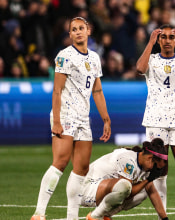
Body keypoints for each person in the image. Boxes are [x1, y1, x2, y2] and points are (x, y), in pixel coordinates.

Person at [31, 17, 111, 220]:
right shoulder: (64, 56)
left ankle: (72, 216)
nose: (77, 32)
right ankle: (39, 213)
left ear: (88, 31)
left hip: (83, 118)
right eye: (73, 29)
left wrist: (106, 119)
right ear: (70, 35)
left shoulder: (94, 58)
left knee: (81, 169)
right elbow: (57, 90)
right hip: (65, 115)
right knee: (60, 162)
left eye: (81, 28)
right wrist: (56, 121)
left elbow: (98, 91)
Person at [135, 24, 175, 216]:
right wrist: (150, 42)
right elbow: (139, 68)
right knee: (159, 173)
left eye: (172, 37)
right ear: (159, 40)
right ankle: (163, 216)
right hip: (156, 121)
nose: (168, 41)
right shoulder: (152, 60)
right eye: (164, 37)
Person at [82, 139, 169, 220]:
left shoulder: (143, 163)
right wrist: (147, 180)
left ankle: (105, 215)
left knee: (144, 191)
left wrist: (164, 219)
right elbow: (127, 192)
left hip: (99, 189)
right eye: (156, 168)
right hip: (86, 190)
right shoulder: (128, 160)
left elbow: (152, 192)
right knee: (124, 186)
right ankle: (95, 216)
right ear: (150, 158)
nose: (155, 171)